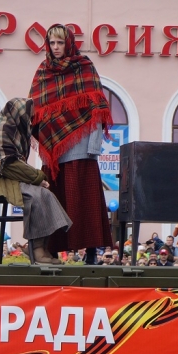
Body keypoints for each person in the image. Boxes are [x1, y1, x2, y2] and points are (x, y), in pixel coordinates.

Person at [29, 24, 112, 264]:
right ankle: (51, 250)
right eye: (52, 43)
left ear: (69, 43)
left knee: (85, 202)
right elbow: (35, 110)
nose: (56, 48)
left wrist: (93, 148)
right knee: (55, 200)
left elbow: (98, 107)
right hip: (53, 152)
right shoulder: (43, 71)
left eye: (60, 43)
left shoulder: (84, 67)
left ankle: (92, 253)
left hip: (80, 148)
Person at [0, 98, 72, 265]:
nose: (30, 120)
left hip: (5, 175)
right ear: (18, 114)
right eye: (28, 116)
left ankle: (40, 247)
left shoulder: (16, 131)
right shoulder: (2, 129)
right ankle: (36, 250)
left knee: (46, 195)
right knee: (35, 196)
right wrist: (38, 178)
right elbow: (9, 165)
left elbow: (15, 165)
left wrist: (37, 180)